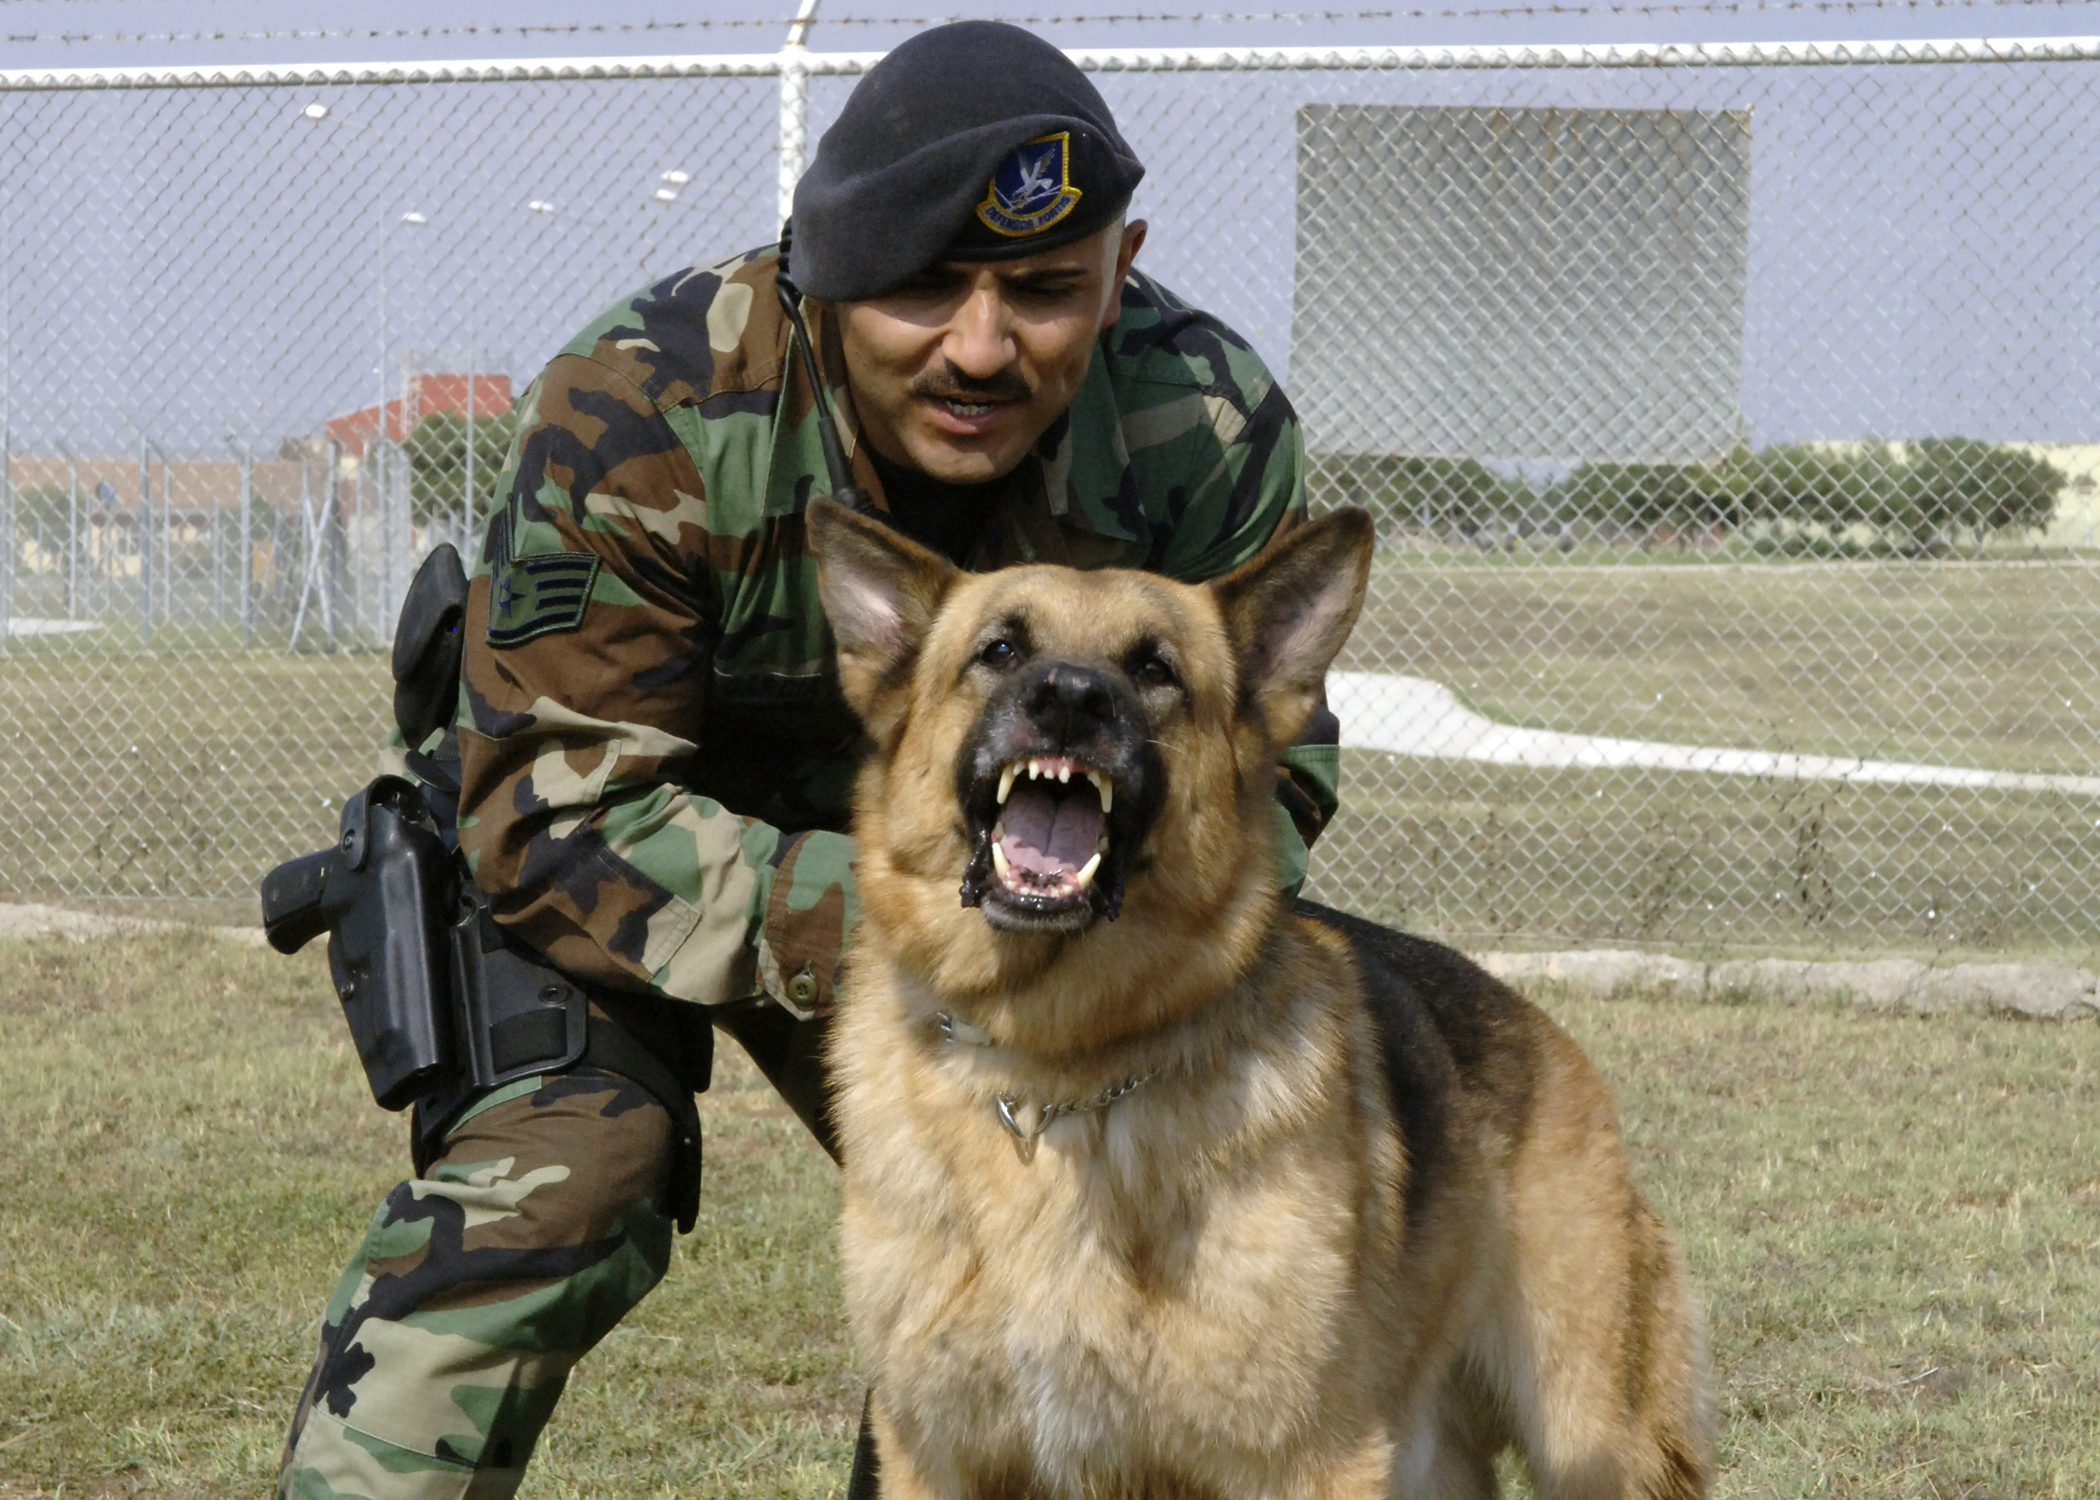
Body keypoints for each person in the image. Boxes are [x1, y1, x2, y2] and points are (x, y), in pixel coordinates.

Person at [275, 20, 1340, 1500]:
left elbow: (1270, 776)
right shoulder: (643, 404)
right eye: (920, 290)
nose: (982, 347)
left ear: (1120, 262)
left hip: (1027, 891)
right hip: (620, 864)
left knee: (1060, 1207)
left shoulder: (1198, 427)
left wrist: (1093, 942)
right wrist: (938, 922)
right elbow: (549, 813)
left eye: (1045, 290)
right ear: (821, 268)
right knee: (571, 1169)